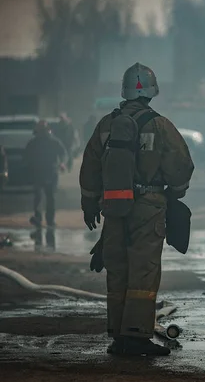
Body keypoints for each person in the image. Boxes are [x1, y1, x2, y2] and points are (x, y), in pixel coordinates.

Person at [79, 62, 194, 356]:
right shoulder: (160, 125)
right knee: (144, 271)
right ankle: (137, 337)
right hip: (149, 207)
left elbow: (90, 166)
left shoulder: (106, 125)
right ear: (151, 92)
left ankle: (118, 335)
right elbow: (181, 168)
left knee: (118, 270)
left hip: (114, 207)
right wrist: (174, 195)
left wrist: (90, 202)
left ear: (124, 90)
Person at [25, 120, 67, 228]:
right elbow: (27, 157)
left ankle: (50, 220)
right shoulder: (33, 143)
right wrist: (29, 168)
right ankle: (38, 218)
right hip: (38, 173)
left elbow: (63, 153)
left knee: (50, 197)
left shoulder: (54, 142)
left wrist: (62, 163)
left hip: (51, 172)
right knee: (38, 196)